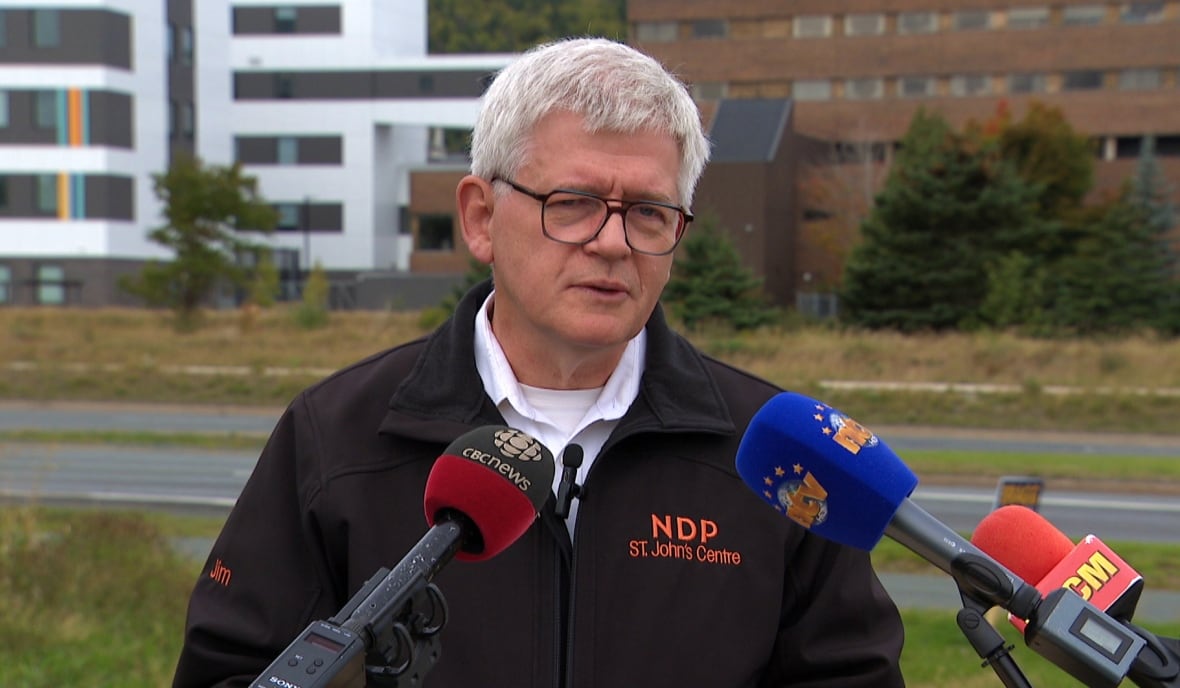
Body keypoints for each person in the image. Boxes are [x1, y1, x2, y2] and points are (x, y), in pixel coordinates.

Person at [172, 37, 905, 687]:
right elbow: (233, 669)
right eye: (575, 202)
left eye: (649, 212)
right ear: (481, 218)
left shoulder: (775, 460)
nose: (613, 242)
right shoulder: (337, 439)